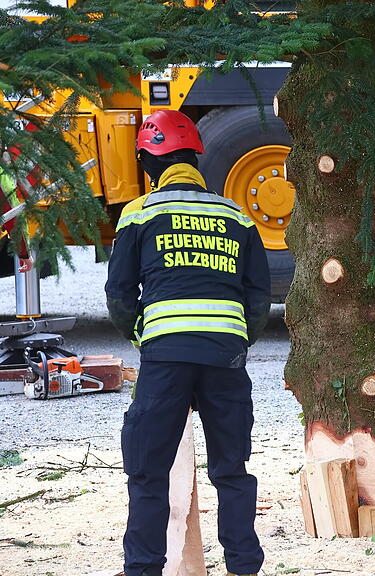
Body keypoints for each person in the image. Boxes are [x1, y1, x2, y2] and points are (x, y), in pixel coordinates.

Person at [105, 110, 271, 576]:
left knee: (148, 471)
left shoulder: (140, 212)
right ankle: (243, 566)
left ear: (147, 160)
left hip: (166, 357)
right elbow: (258, 297)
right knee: (232, 472)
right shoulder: (235, 214)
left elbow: (119, 294)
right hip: (224, 358)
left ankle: (143, 569)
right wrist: (238, 343)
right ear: (195, 158)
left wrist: (144, 336)